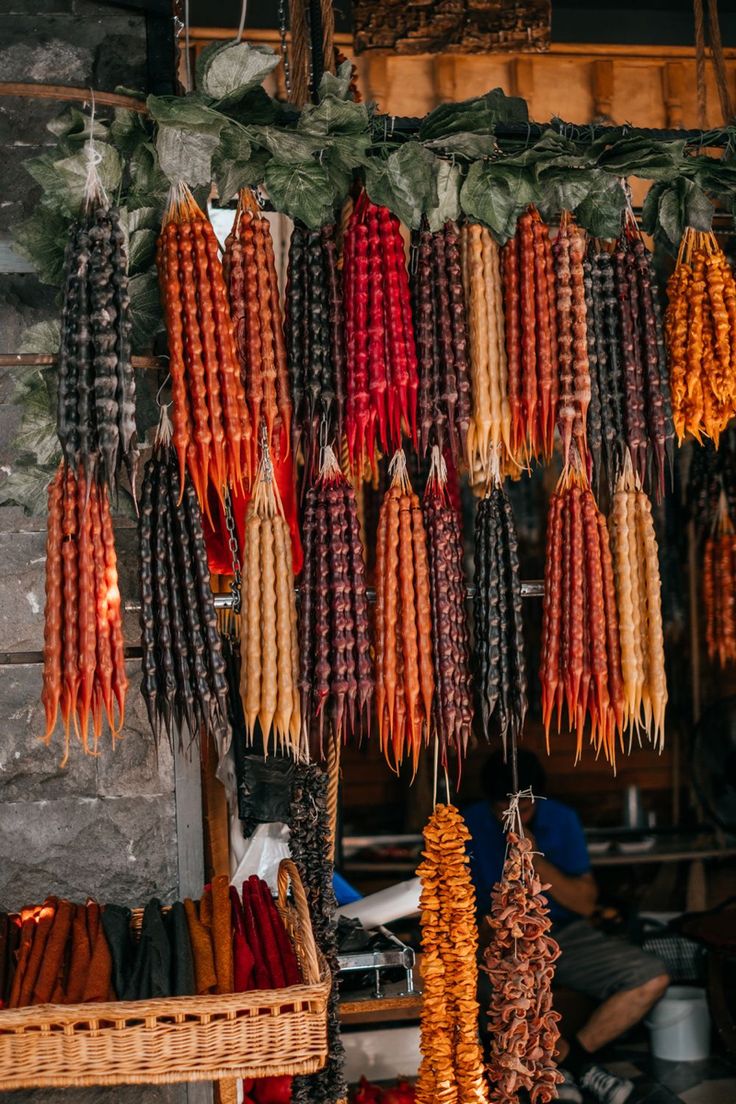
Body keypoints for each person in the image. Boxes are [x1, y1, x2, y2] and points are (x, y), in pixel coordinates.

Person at [464, 749, 669, 1104]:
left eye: (524, 810)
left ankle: (572, 1061)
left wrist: (533, 856)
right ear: (490, 804)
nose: (513, 818)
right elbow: (464, 914)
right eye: (503, 812)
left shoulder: (561, 819)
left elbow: (586, 903)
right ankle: (576, 1068)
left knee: (651, 976)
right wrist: (502, 941)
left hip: (564, 931)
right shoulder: (467, 826)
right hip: (497, 939)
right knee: (501, 995)